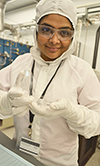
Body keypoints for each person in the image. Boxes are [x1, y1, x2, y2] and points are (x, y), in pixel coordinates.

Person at [0, 0, 100, 165]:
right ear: (36, 30)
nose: (54, 40)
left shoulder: (81, 70)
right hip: (19, 157)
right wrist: (6, 101)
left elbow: (96, 123)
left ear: (73, 35)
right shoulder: (20, 63)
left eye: (64, 33)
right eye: (46, 30)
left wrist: (72, 112)